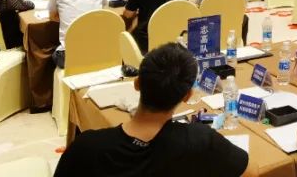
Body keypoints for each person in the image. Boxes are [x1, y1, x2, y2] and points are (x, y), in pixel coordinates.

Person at [55, 43, 252, 177]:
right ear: (187, 96)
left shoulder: (86, 147)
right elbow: (252, 172)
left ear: (137, 84)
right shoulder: (200, 141)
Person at [48, 0, 108, 68]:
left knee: (50, 51)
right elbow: (104, 8)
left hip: (70, 55)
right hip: (98, 49)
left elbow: (52, 17)